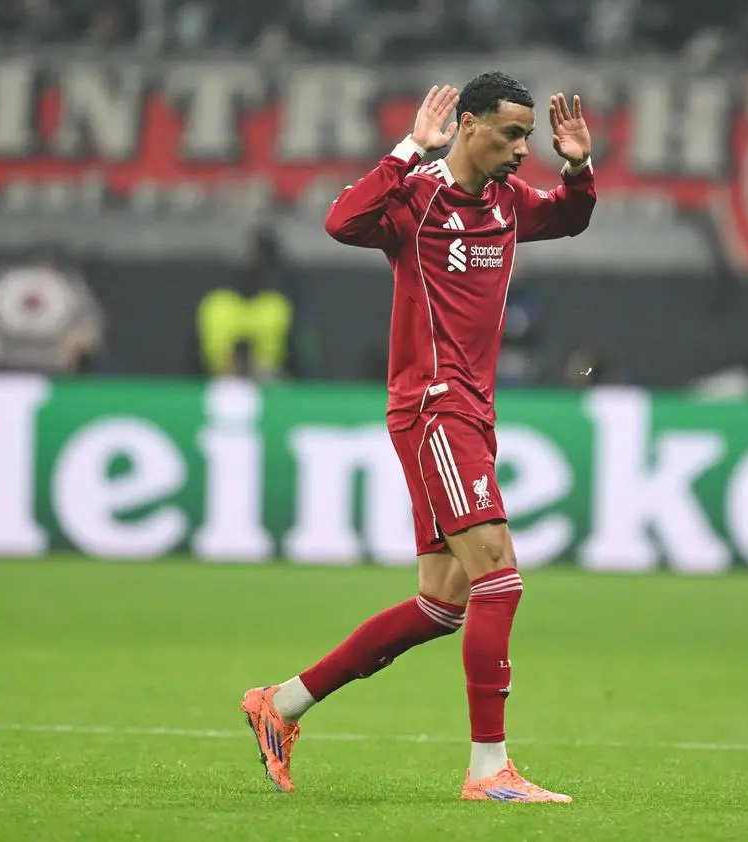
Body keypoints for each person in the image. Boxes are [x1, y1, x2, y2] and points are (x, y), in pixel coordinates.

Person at [240, 72, 596, 803]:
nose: (521, 149)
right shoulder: (418, 198)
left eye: (528, 136)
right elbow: (342, 221)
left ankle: (282, 704)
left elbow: (567, 218)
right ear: (466, 126)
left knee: (443, 602)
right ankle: (488, 770)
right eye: (509, 133)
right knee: (500, 576)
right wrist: (406, 148)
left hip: (471, 413)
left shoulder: (505, 201)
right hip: (436, 409)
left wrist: (578, 167)